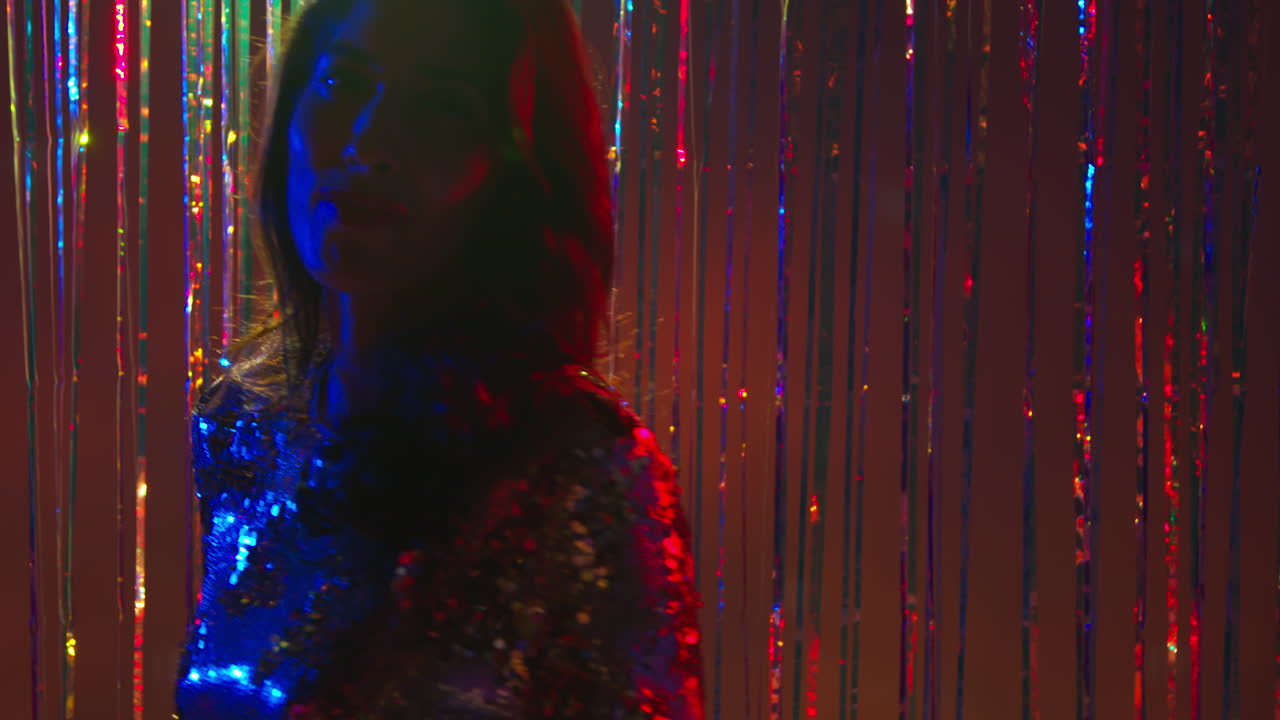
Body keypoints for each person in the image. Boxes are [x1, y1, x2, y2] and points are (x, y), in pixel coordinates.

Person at [174, 1, 704, 718]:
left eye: (438, 107)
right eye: (343, 85)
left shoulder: (578, 475)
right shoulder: (244, 424)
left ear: (514, 164)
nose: (369, 142)